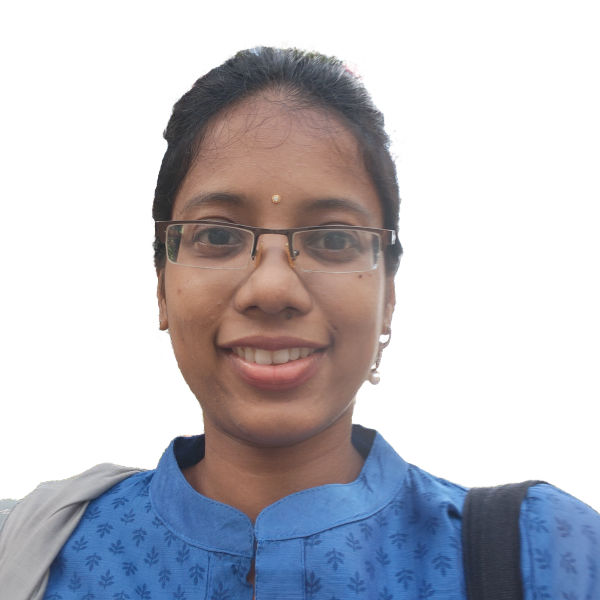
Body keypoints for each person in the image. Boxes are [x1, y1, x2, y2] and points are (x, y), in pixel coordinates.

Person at [0, 47, 598, 600]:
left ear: (388, 296)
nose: (272, 289)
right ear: (161, 285)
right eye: (217, 236)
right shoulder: (33, 555)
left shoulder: (543, 556)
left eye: (333, 240)